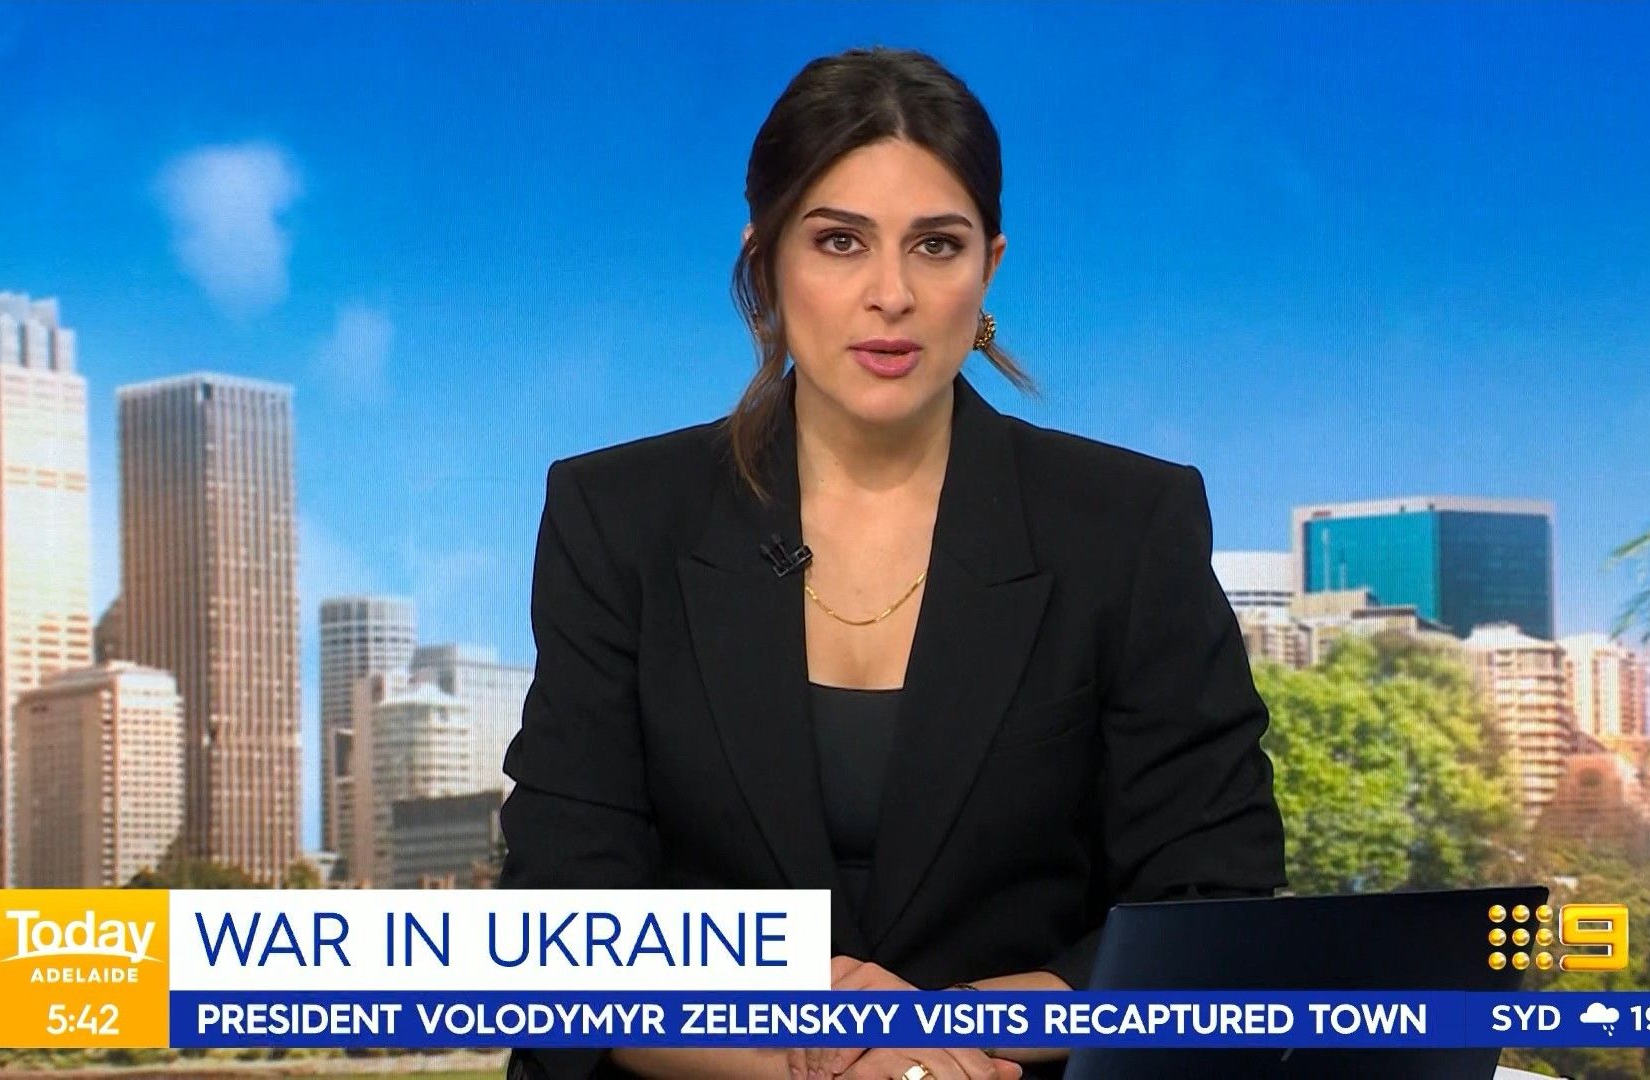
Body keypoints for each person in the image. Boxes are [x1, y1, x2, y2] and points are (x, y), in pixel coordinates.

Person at [500, 45, 1286, 1080]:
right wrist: (814, 1055)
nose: (891, 294)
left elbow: (1214, 904)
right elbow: (566, 925)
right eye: (839, 242)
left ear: (988, 267)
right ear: (765, 263)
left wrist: (968, 1034)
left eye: (936, 246)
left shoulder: (1127, 524)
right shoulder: (616, 517)